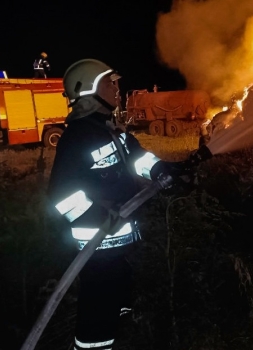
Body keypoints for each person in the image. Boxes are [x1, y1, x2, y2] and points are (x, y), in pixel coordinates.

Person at [47, 58, 203, 350]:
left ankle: (119, 339)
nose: (117, 88)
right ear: (88, 91)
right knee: (97, 312)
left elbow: (139, 159)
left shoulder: (113, 132)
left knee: (119, 304)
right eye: (109, 83)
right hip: (96, 247)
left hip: (119, 244)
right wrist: (99, 214)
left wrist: (163, 172)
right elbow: (61, 195)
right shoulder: (77, 138)